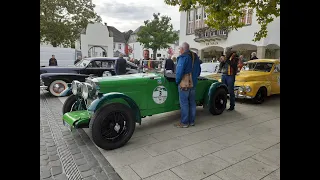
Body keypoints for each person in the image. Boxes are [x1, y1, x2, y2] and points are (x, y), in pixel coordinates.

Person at [175, 42, 201, 128]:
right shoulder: (195, 57)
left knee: (184, 103)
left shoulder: (183, 58)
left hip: (185, 84)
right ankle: (192, 121)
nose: (179, 50)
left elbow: (179, 72)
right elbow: (199, 70)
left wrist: (177, 81)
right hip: (193, 83)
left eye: (180, 49)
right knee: (192, 102)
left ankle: (184, 122)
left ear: (182, 49)